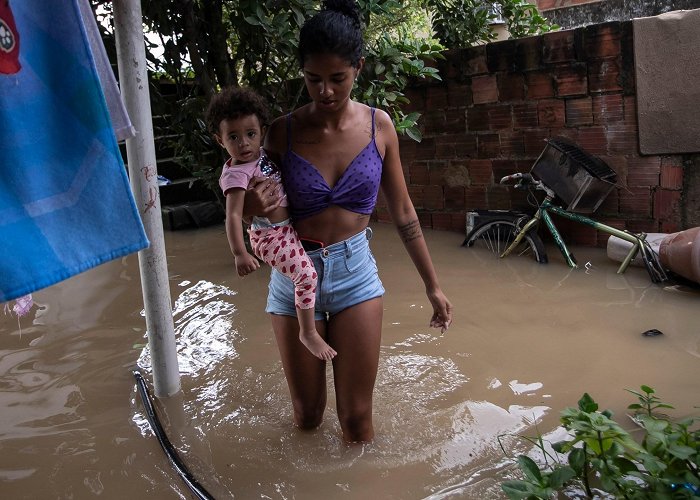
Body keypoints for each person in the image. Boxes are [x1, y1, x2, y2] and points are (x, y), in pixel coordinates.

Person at [246, 0, 453, 443]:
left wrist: (432, 285)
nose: (324, 92)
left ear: (358, 67)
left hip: (355, 273)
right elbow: (255, 213)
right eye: (312, 80)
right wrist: (251, 205)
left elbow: (403, 211)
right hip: (293, 275)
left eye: (337, 79)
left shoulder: (380, 127)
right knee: (306, 417)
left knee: (357, 422)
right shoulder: (280, 133)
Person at [205, 86, 337, 361]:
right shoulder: (235, 175)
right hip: (270, 236)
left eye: (250, 134)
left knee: (306, 272)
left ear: (261, 132)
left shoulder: (261, 155)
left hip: (286, 229)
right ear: (220, 141)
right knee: (306, 275)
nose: (243, 143)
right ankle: (308, 332)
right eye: (233, 137)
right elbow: (232, 215)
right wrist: (240, 254)